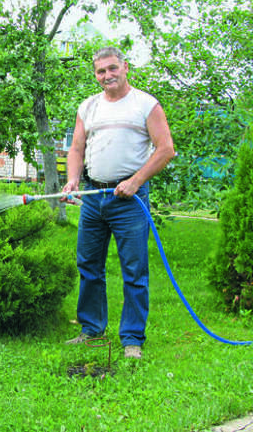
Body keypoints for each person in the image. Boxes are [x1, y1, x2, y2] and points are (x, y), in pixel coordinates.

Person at [62, 46, 175, 359]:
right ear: (95, 74)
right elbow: (75, 149)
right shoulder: (88, 107)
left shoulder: (145, 104)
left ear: (126, 67)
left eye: (112, 68)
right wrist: (73, 180)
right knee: (89, 265)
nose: (107, 76)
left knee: (134, 270)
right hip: (94, 197)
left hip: (130, 200)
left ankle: (132, 339)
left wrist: (136, 181)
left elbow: (165, 149)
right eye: (101, 71)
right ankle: (91, 329)